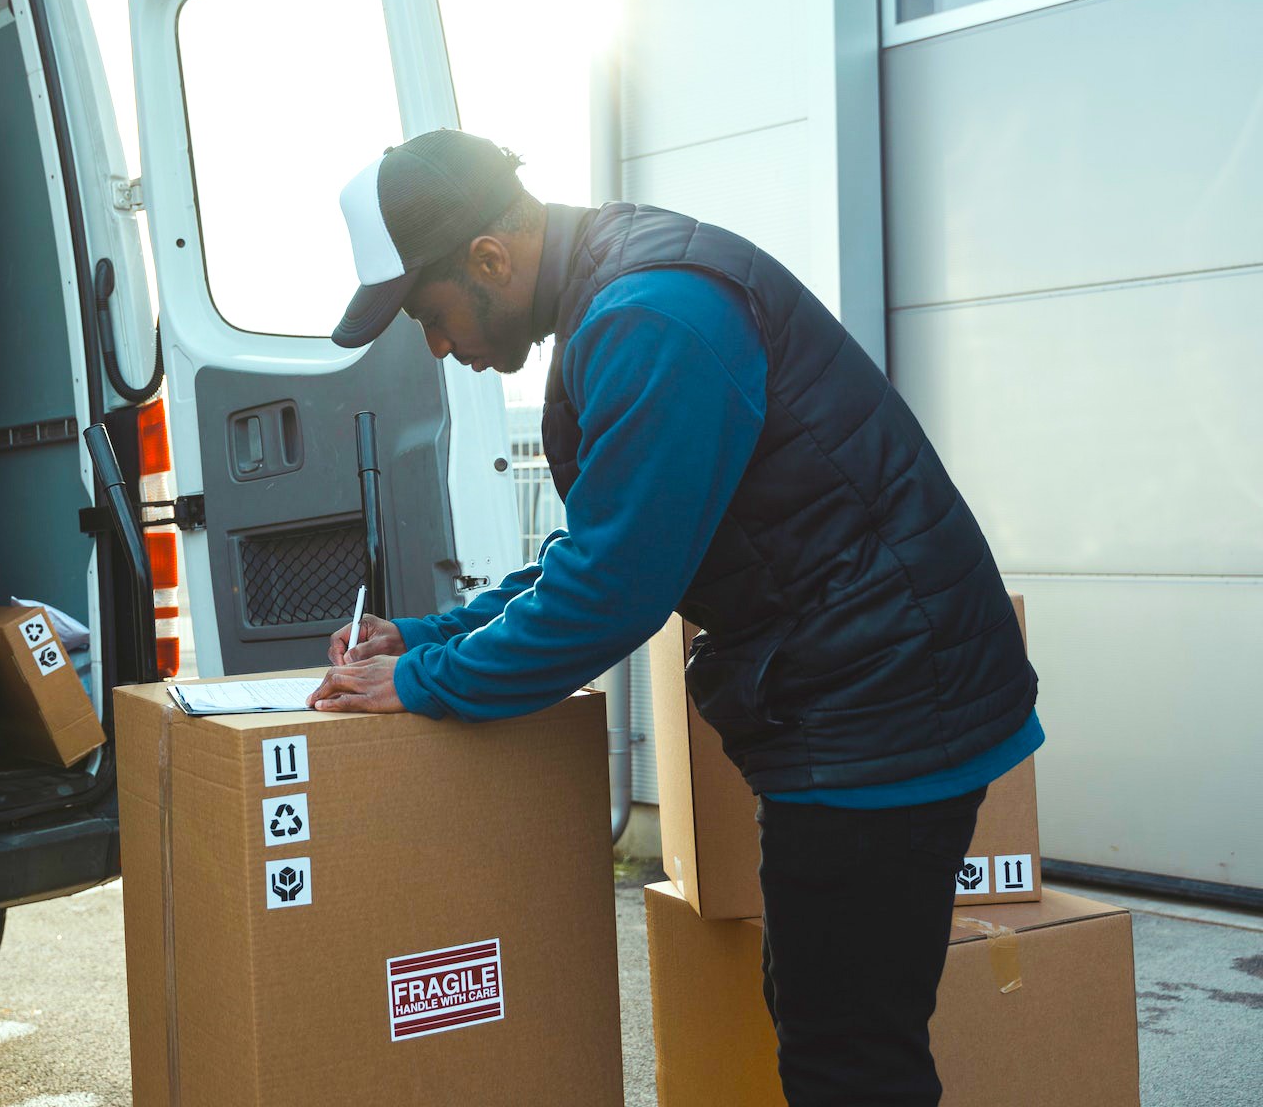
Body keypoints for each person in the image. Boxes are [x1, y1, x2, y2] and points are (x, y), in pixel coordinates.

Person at [305, 129, 1041, 1107]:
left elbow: (614, 587)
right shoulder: (622, 293)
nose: (440, 347)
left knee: (850, 1054)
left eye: (431, 316)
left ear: (489, 257)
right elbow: (614, 543)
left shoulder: (653, 313)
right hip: (875, 695)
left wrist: (420, 682)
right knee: (830, 1016)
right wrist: (427, 637)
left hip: (886, 711)